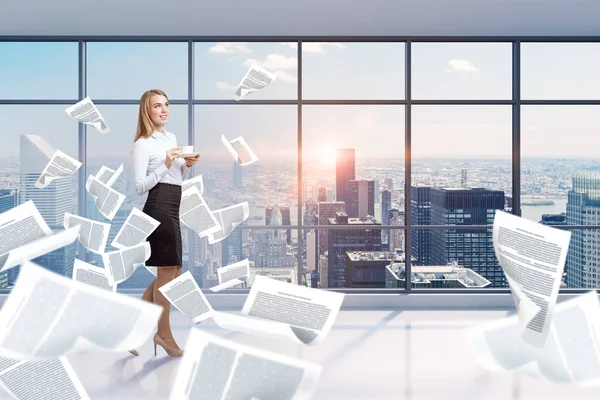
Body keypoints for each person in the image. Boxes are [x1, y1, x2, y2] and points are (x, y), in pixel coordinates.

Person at [129, 89, 200, 357]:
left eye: (166, 105)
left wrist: (185, 164)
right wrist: (166, 163)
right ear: (147, 111)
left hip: (173, 206)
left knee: (173, 273)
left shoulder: (171, 138)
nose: (164, 109)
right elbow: (139, 187)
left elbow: (176, 175)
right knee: (167, 274)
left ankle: (136, 326)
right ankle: (164, 335)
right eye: (157, 106)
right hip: (158, 206)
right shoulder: (142, 144)